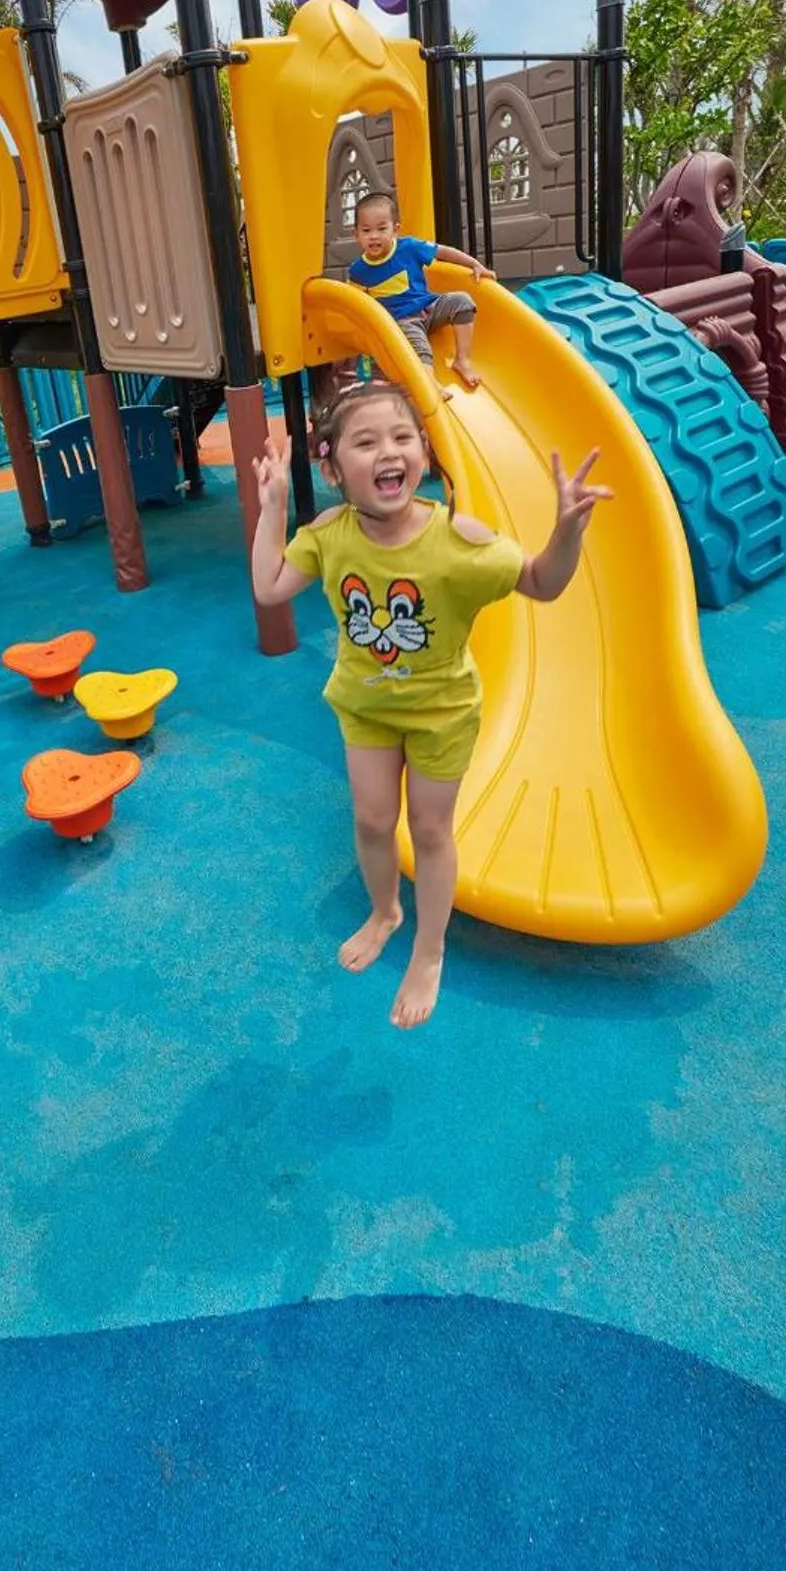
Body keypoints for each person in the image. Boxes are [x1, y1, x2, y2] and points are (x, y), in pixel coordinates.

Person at [251, 380, 611, 1030]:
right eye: (366, 442)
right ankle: (386, 910)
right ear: (332, 466)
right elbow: (270, 587)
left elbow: (541, 583)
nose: (388, 450)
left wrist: (567, 531)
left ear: (422, 452)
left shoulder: (457, 539)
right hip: (366, 708)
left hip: (442, 711)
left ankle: (430, 949)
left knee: (430, 829)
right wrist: (272, 507)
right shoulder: (330, 535)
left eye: (401, 437)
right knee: (370, 820)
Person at [347, 188, 493, 389]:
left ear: (395, 230)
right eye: (366, 230)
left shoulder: (409, 247)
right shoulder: (358, 271)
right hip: (402, 321)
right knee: (419, 347)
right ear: (356, 234)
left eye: (382, 229)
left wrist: (474, 264)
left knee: (462, 301)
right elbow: (357, 304)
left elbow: (444, 252)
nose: (374, 236)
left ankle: (462, 359)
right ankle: (429, 383)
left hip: (430, 307)